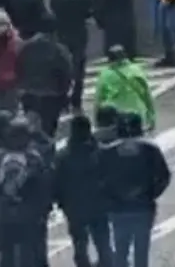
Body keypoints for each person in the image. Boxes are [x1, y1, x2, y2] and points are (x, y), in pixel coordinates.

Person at [100, 110, 170, 267]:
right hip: (143, 207)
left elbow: (100, 180)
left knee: (121, 250)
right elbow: (164, 176)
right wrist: (151, 194)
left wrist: (110, 198)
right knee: (141, 251)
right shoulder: (150, 150)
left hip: (118, 209)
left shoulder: (108, 152)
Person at [0, 114, 54, 267]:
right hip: (29, 214)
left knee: (6, 251)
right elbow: (43, 185)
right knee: (29, 251)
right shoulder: (34, 158)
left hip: (4, 213)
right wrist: (44, 208)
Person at [55, 112, 112, 267]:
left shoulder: (63, 156)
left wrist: (60, 201)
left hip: (74, 206)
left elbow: (57, 181)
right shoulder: (100, 152)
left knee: (80, 244)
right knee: (102, 242)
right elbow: (109, 177)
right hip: (98, 204)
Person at [15, 20, 73, 141]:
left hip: (29, 94)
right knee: (48, 131)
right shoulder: (59, 49)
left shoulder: (25, 48)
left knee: (30, 128)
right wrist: (64, 94)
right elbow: (66, 73)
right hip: (52, 96)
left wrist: (21, 87)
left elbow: (18, 69)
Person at [50, 0, 95, 108]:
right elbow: (89, 12)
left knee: (62, 67)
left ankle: (62, 98)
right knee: (79, 68)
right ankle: (77, 98)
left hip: (61, 35)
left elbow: (53, 9)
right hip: (79, 35)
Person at [94, 46, 156, 133]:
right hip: (136, 117)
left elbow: (98, 99)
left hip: (114, 119)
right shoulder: (136, 70)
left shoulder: (105, 74)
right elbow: (147, 95)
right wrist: (151, 117)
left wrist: (97, 122)